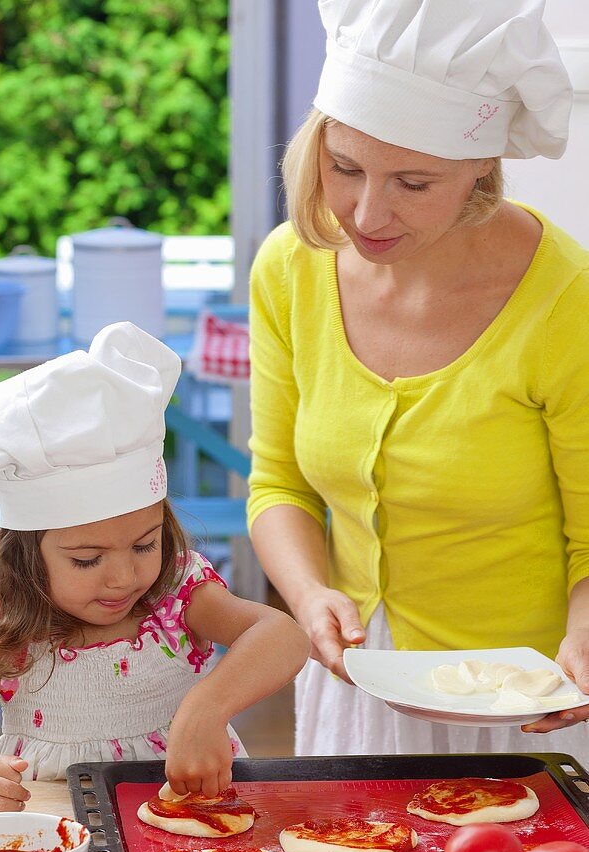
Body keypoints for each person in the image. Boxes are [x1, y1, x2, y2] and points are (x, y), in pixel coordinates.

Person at [247, 0, 589, 764]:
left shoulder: (566, 299)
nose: (368, 212)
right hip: (357, 686)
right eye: (344, 168)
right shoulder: (290, 270)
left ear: (480, 165)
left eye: (412, 182)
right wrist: (308, 597)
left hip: (521, 701)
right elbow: (277, 487)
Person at [0, 322, 310, 814]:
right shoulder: (3, 614)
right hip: (52, 821)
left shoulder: (176, 592)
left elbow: (283, 634)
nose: (123, 577)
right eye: (87, 559)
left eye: (145, 545)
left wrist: (207, 707)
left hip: (190, 812)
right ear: (27, 554)